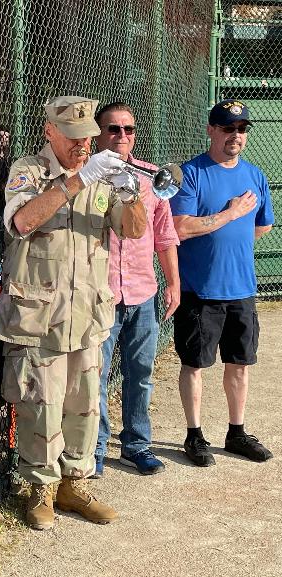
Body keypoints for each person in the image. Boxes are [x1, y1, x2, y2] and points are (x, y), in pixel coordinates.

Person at [0, 95, 147, 531]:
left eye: (88, 139)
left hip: (88, 314)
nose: (83, 147)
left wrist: (130, 195)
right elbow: (21, 222)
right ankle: (40, 488)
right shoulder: (29, 171)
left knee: (84, 403)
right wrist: (76, 181)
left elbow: (132, 231)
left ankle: (74, 484)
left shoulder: (102, 176)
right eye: (74, 138)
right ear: (50, 132)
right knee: (41, 403)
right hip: (39, 318)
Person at [170, 99, 274, 467]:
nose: (236, 136)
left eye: (242, 129)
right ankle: (194, 435)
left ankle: (236, 432)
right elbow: (179, 227)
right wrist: (229, 215)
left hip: (241, 289)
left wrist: (228, 238)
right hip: (201, 290)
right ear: (211, 130)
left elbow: (262, 225)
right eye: (228, 128)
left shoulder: (255, 176)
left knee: (239, 364)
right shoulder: (192, 173)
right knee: (195, 364)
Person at [91, 102, 180, 477]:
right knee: (95, 375)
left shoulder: (150, 179)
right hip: (100, 293)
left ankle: (136, 445)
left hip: (143, 290)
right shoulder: (84, 177)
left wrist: (173, 282)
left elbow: (164, 235)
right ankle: (93, 452)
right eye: (113, 129)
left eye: (128, 130)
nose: (121, 136)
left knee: (140, 372)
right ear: (98, 134)